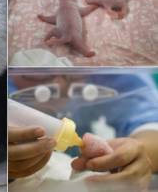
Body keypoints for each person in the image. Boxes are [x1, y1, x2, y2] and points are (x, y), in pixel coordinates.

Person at [8, 73, 158, 190]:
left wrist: (134, 155)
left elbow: (150, 124)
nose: (58, 85)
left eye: (73, 74)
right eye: (38, 74)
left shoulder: (110, 72)